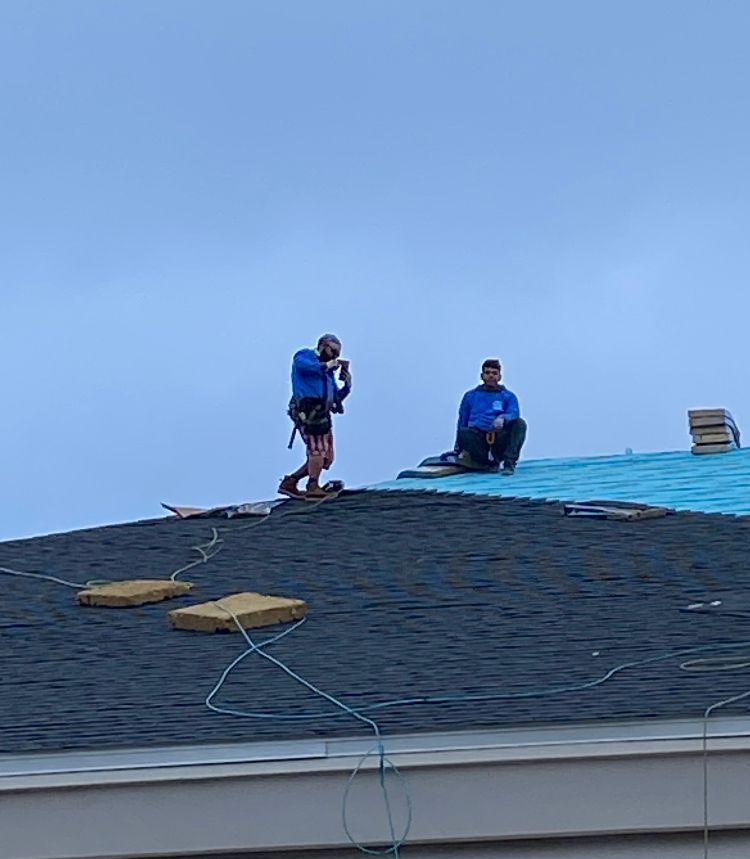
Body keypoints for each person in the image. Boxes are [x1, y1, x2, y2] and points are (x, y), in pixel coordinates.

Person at [279, 334, 351, 499]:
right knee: (317, 450)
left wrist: (346, 386)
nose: (335, 356)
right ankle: (313, 485)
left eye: (337, 354)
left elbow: (335, 398)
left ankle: (291, 482)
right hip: (308, 408)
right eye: (333, 351)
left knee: (326, 457)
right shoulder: (305, 356)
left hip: (322, 412)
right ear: (322, 345)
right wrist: (327, 365)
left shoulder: (328, 374)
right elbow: (306, 367)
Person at [455, 359, 527, 475]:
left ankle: (509, 462)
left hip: (499, 438)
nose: (491, 376)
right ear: (482, 375)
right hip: (478, 439)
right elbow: (462, 421)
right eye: (487, 373)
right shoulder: (470, 396)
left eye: (494, 373)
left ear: (499, 377)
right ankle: (486, 463)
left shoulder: (508, 396)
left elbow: (514, 412)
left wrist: (503, 418)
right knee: (464, 433)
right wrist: (457, 449)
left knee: (520, 424)